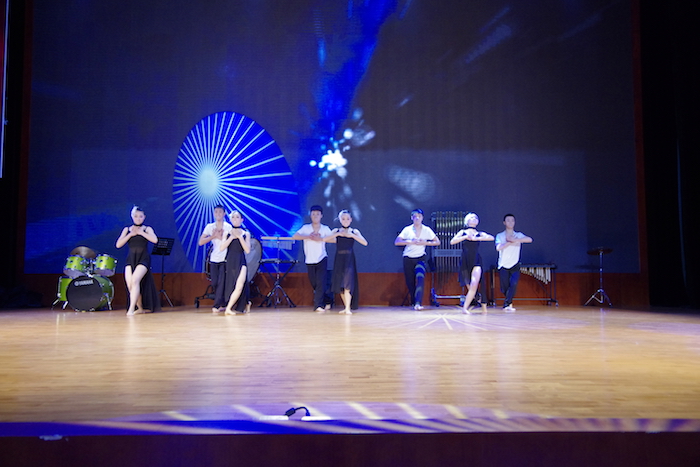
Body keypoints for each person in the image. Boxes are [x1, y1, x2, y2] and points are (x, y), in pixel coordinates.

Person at [115, 206, 161, 315]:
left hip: (143, 258)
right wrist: (131, 234)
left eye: (140, 216)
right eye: (136, 216)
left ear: (144, 217)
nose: (138, 218)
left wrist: (141, 233)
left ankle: (131, 309)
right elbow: (118, 244)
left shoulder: (147, 229)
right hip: (131, 259)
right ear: (132, 217)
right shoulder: (127, 229)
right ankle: (140, 307)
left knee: (135, 280)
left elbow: (155, 240)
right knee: (130, 284)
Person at [394, 209, 440, 310]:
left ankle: (418, 303)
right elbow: (397, 241)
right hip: (408, 258)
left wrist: (425, 243)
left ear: (422, 217)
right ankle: (414, 302)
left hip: (420, 258)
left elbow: (437, 242)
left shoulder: (427, 230)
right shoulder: (407, 229)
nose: (417, 218)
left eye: (419, 216)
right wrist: (410, 241)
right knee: (410, 282)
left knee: (420, 278)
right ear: (412, 218)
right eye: (415, 216)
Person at [324, 210, 368, 314]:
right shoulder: (336, 230)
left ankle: (348, 308)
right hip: (339, 259)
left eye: (347, 219)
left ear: (351, 220)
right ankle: (346, 307)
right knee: (340, 284)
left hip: (349, 259)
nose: (345, 221)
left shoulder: (354, 231)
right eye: (343, 219)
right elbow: (324, 239)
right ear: (340, 220)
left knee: (348, 283)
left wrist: (352, 236)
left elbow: (365, 243)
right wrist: (338, 234)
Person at [450, 212, 494, 314]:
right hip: (465, 261)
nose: (474, 219)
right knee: (470, 287)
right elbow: (452, 241)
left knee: (474, 284)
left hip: (476, 260)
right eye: (472, 217)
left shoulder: (479, 233)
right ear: (467, 220)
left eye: (475, 217)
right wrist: (465, 237)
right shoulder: (463, 232)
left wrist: (477, 238)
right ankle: (479, 304)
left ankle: (465, 308)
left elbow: (491, 237)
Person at [293, 205, 333, 313]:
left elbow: (334, 239)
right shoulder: (306, 228)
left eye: (317, 214)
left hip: (322, 258)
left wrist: (321, 239)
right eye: (313, 214)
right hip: (310, 260)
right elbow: (295, 236)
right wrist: (308, 236)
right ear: (310, 215)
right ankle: (328, 299)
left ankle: (318, 305)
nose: (315, 216)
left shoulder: (325, 228)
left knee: (320, 282)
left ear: (321, 216)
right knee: (314, 283)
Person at [198, 205, 233, 313]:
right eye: (216, 212)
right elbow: (200, 242)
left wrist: (222, 237)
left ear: (224, 214)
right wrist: (213, 236)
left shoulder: (228, 227)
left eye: (220, 212)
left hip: (225, 258)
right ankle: (222, 303)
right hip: (214, 258)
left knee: (222, 282)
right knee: (214, 283)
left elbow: (231, 242)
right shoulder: (210, 227)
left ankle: (217, 305)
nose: (218, 214)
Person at [495, 213, 533, 312]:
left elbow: (529, 239)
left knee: (514, 283)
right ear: (504, 222)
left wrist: (515, 240)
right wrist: (509, 242)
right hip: (503, 264)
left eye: (512, 220)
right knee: (504, 288)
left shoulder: (518, 235)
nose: (510, 222)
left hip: (515, 264)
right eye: (508, 220)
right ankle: (509, 302)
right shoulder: (500, 235)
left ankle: (507, 304)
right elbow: (498, 248)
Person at [220, 210, 251, 315]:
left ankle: (228, 308)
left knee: (240, 285)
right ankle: (247, 302)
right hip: (230, 261)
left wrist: (240, 237)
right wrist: (232, 237)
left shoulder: (246, 233)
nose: (235, 219)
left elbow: (247, 250)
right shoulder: (227, 233)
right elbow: (222, 248)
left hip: (241, 260)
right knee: (232, 285)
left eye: (237, 217)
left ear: (241, 220)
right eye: (233, 217)